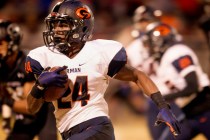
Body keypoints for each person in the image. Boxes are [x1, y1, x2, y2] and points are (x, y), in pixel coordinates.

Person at [25, 0, 180, 140]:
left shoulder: (99, 52)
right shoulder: (43, 56)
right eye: (55, 24)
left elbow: (137, 75)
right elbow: (31, 109)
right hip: (67, 130)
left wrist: (163, 106)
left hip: (97, 127)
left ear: (81, 26)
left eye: (63, 24)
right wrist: (38, 87)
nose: (57, 29)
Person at [141, 22, 210, 140]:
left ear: (159, 41)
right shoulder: (163, 61)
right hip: (190, 113)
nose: (150, 48)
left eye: (151, 44)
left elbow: (192, 85)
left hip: (205, 108)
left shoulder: (177, 52)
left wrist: (163, 98)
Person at [0, 19, 54, 140]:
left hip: (42, 113)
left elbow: (30, 107)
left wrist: (5, 100)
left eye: (0, 43)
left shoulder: (28, 63)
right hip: (22, 116)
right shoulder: (2, 66)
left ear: (12, 42)